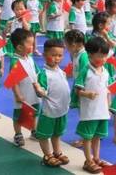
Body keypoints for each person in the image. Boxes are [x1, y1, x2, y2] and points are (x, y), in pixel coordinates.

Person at [74, 36, 112, 173]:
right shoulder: (86, 71)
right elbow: (78, 90)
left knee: (98, 136)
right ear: (90, 55)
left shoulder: (106, 71)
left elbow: (108, 90)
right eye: (99, 56)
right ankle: (88, 161)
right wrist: (87, 94)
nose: (103, 59)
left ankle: (96, 158)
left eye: (105, 56)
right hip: (89, 112)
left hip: (102, 111)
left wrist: (109, 106)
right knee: (88, 138)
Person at [35, 39, 71, 167]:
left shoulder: (61, 71)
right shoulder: (44, 73)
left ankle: (57, 152)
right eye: (53, 55)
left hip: (61, 110)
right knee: (44, 135)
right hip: (49, 111)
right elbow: (42, 91)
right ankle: (47, 155)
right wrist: (40, 91)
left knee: (57, 134)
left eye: (60, 55)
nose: (57, 58)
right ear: (45, 55)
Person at [9, 28, 41, 146]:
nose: (32, 47)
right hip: (22, 95)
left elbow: (37, 73)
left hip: (33, 93)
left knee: (34, 112)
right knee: (19, 115)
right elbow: (14, 81)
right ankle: (18, 134)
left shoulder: (30, 58)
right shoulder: (16, 61)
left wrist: (41, 86)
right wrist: (18, 94)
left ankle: (34, 130)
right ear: (19, 47)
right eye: (30, 44)